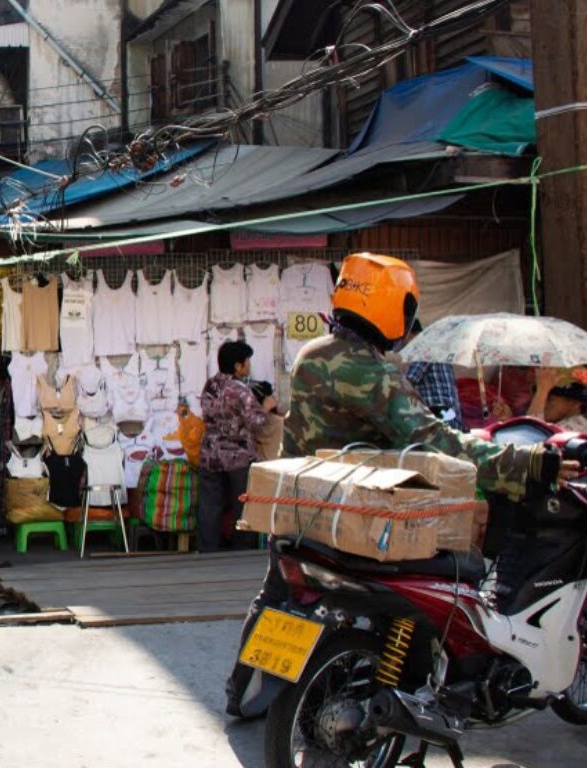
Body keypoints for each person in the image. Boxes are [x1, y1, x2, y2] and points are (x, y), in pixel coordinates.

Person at [225, 252, 574, 718]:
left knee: (273, 597)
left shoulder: (315, 354)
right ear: (394, 308)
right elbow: (435, 442)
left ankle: (239, 693)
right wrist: (526, 464)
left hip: (298, 509)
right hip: (353, 517)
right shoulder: (369, 371)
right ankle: (433, 695)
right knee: (458, 576)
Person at [198, 341, 276, 552]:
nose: (249, 366)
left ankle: (207, 551)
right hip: (238, 457)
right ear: (237, 366)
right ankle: (242, 552)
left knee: (210, 506)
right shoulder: (240, 390)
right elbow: (255, 422)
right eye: (247, 362)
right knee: (243, 505)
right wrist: (266, 408)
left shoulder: (210, 385)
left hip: (210, 455)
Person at [403, 320, 466, 431]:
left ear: (410, 335)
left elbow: (407, 383)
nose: (404, 344)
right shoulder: (438, 351)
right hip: (453, 419)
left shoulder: (423, 351)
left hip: (442, 420)